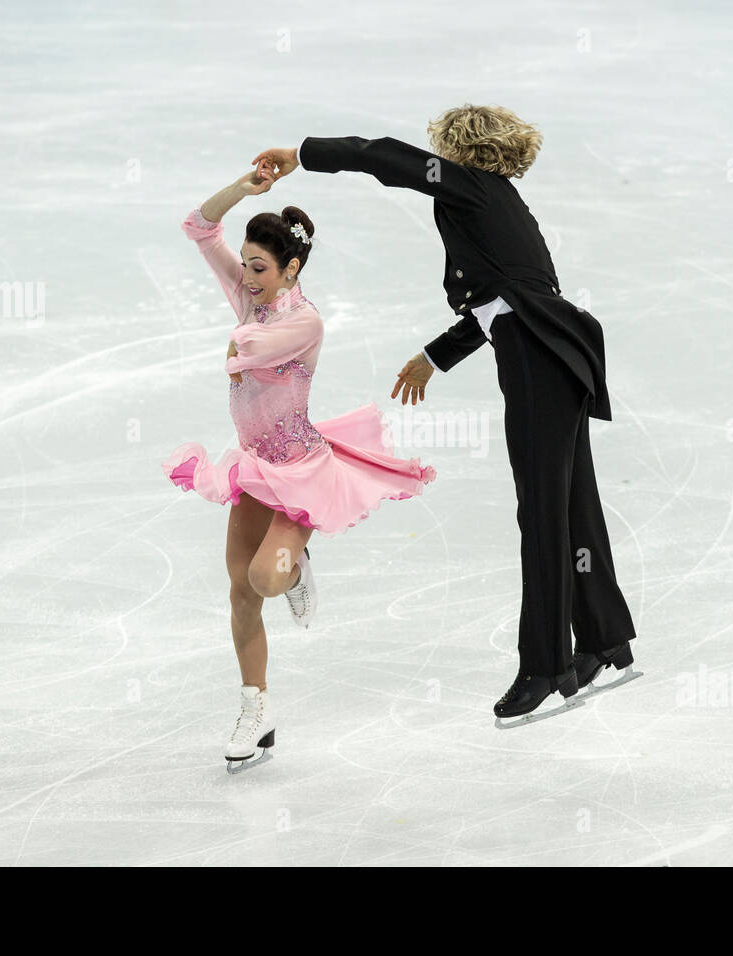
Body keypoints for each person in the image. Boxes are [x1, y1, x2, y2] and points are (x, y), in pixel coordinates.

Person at [254, 104, 638, 719]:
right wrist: (436, 356)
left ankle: (545, 665)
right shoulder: (503, 203)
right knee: (570, 503)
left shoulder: (468, 185)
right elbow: (507, 301)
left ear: (459, 147)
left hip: (540, 364)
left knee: (542, 513)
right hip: (558, 358)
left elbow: (381, 155)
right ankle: (601, 637)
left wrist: (303, 154)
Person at [162, 164, 437, 767]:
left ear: (291, 269)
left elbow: (242, 354)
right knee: (240, 592)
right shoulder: (250, 297)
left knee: (265, 578)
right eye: (245, 266)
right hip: (255, 466)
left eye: (260, 269)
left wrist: (236, 342)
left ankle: (297, 561)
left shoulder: (305, 322)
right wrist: (243, 189)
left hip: (301, 472)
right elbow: (198, 225)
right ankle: (255, 709)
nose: (248, 279)